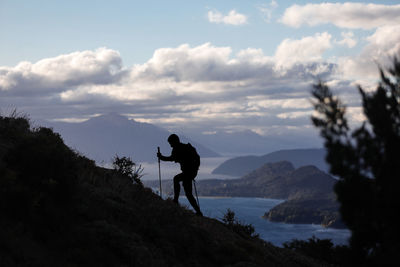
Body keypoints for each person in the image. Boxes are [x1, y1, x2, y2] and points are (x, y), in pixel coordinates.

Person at [157, 134, 203, 216]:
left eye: (171, 143)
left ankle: (176, 200)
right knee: (186, 190)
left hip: (188, 173)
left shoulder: (177, 149)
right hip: (192, 172)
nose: (171, 146)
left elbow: (171, 158)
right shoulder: (186, 147)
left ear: (174, 142)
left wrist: (161, 157)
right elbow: (196, 158)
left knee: (184, 188)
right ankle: (197, 211)